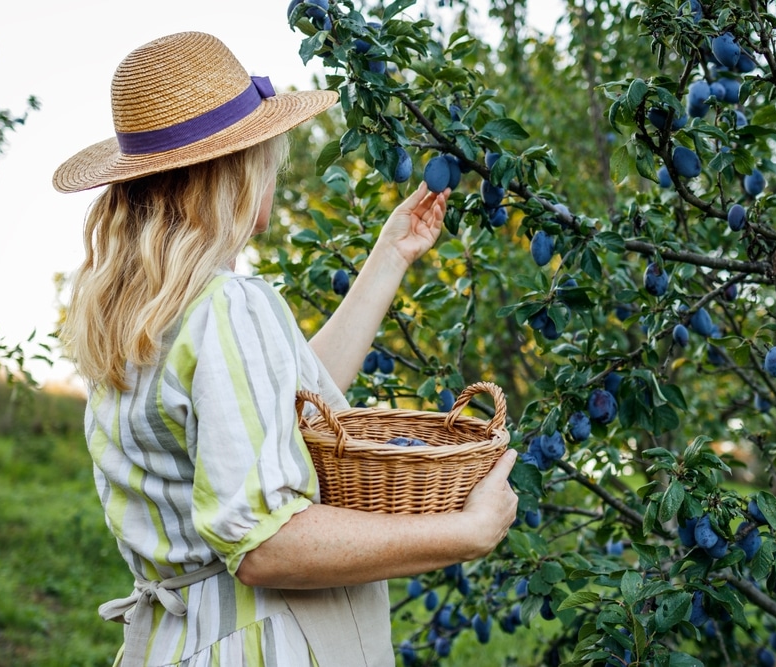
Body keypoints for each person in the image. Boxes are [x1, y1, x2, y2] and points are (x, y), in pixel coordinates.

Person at [54, 31, 518, 667]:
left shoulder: (136, 317)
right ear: (239, 168)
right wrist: (463, 533)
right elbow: (265, 545)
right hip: (267, 645)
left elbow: (273, 410)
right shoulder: (227, 305)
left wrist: (390, 256)